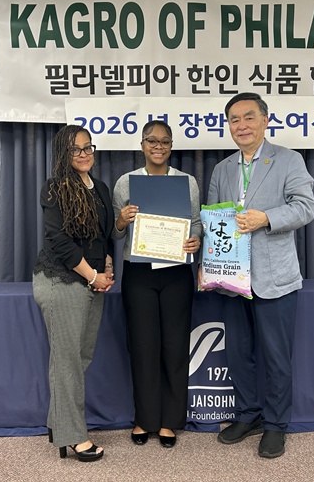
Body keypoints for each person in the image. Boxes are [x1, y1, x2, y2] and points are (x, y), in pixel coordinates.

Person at [206, 93, 314, 459]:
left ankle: (275, 424)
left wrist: (266, 218)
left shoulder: (288, 160)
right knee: (238, 354)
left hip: (274, 277)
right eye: (234, 120)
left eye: (249, 117)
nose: (242, 126)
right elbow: (213, 220)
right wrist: (205, 258)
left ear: (265, 121)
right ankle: (248, 413)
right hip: (232, 278)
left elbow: (306, 207)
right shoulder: (222, 169)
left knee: (276, 357)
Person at [112, 120, 202, 448]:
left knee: (175, 346)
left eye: (164, 141)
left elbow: (195, 223)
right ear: (142, 145)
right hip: (139, 273)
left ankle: (169, 421)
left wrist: (194, 240)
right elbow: (115, 232)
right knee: (143, 346)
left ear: (171, 146)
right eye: (152, 141)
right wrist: (120, 221)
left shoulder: (187, 182)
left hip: (177, 271)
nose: (158, 146)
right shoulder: (126, 183)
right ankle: (145, 419)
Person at [32, 124, 115, 462]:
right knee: (67, 362)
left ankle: (59, 425)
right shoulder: (54, 189)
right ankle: (75, 437)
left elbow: (102, 237)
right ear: (63, 154)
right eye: (76, 149)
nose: (84, 154)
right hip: (61, 281)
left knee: (79, 359)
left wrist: (106, 266)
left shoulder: (101, 188)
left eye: (88, 147)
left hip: (92, 281)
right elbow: (59, 242)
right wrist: (94, 276)